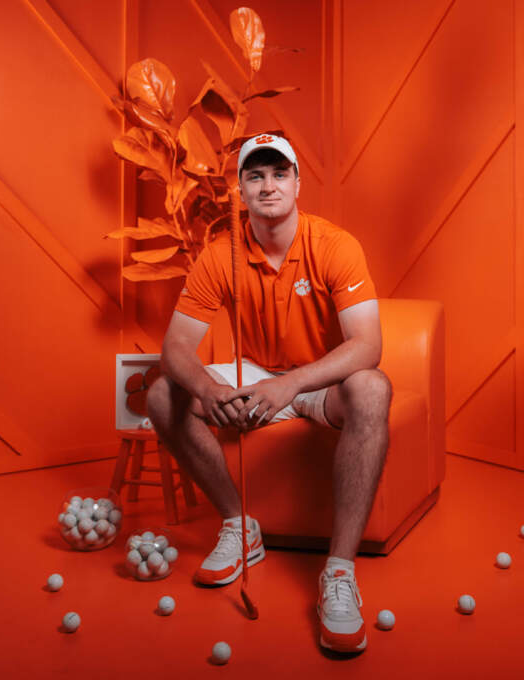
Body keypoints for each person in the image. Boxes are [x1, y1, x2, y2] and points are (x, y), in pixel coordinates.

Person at [147, 133, 392, 654]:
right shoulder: (221, 254)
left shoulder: (335, 245)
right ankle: (240, 526)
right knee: (164, 394)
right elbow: (175, 349)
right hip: (255, 378)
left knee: (373, 388)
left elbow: (368, 346)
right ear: (240, 189)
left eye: (280, 174)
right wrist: (210, 388)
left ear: (298, 184)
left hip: (320, 381)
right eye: (255, 176)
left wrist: (292, 384)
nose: (268, 185)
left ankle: (339, 573)